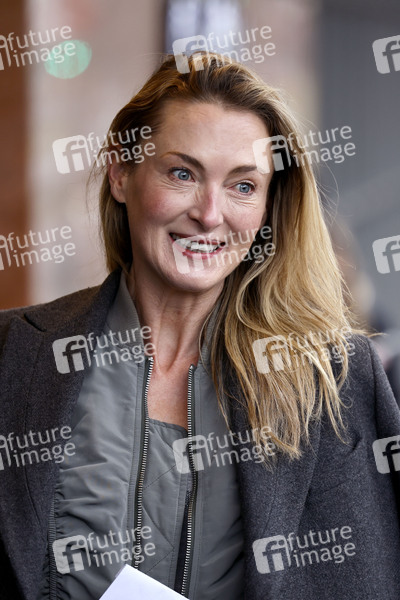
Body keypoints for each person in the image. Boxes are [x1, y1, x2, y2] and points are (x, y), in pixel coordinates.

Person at [1, 52, 399, 600]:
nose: (210, 214)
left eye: (243, 186)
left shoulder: (335, 380)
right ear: (121, 174)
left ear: (269, 207)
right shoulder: (12, 354)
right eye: (182, 174)